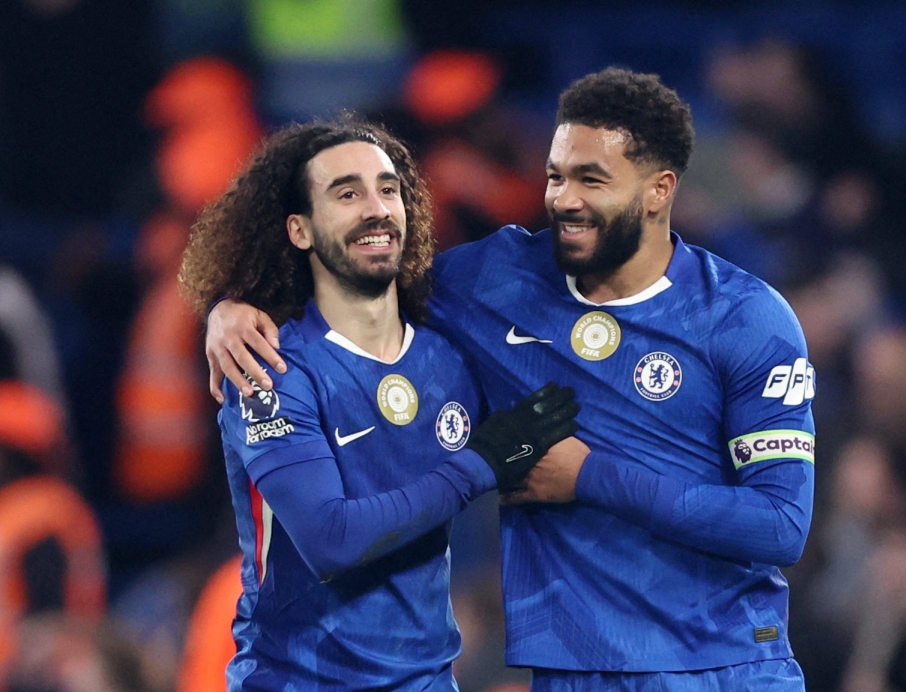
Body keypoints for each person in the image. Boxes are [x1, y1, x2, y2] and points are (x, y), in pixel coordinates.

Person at [207, 69, 817, 691]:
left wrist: (588, 477)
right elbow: (358, 279)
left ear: (659, 190)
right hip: (571, 673)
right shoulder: (496, 281)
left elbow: (780, 525)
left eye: (591, 180)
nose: (564, 199)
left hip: (722, 667)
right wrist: (231, 307)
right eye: (556, 176)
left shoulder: (746, 318)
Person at [178, 118, 581, 691]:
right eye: (347, 193)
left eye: (388, 189)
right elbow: (331, 538)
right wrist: (480, 465)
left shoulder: (452, 354)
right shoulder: (269, 369)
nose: (376, 208)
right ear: (300, 230)